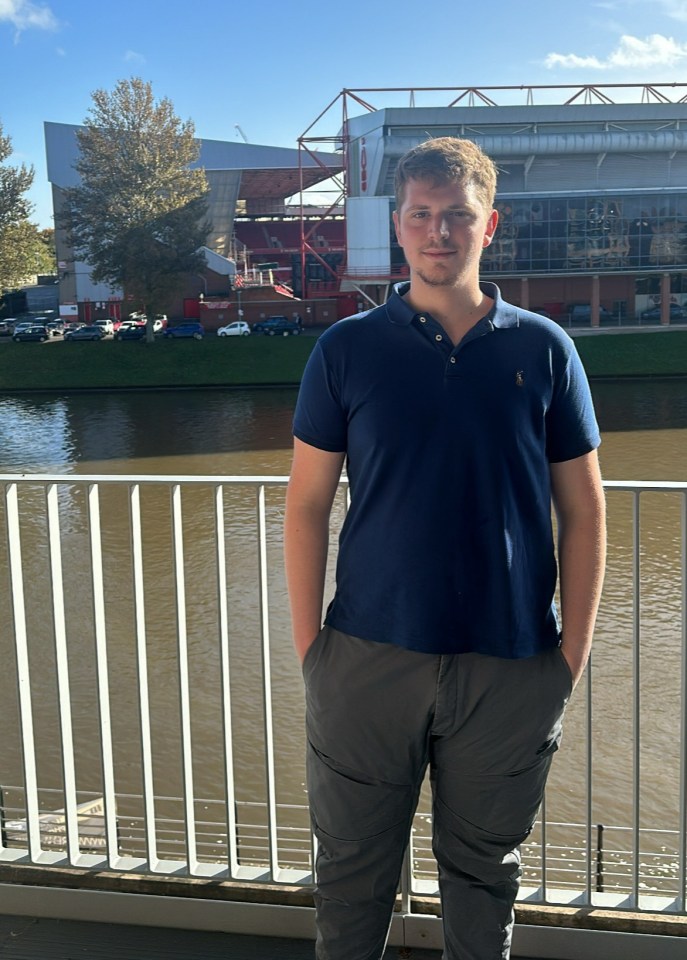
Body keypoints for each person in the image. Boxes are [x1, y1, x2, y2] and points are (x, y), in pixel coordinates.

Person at [284, 137, 606, 960]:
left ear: (487, 225)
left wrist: (567, 656)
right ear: (398, 226)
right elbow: (306, 504)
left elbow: (583, 510)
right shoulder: (346, 350)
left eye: (456, 216)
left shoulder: (542, 349)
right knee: (350, 883)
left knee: (483, 879)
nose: (438, 232)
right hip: (364, 659)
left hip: (509, 668)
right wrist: (311, 650)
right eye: (421, 215)